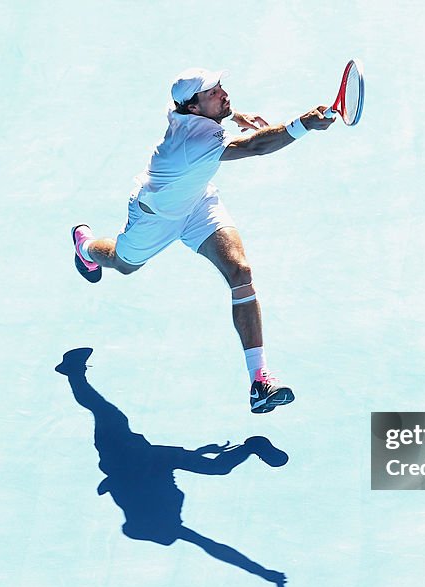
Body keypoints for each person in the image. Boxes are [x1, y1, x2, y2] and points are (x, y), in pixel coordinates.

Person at [69, 67, 335, 413]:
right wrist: (303, 124)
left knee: (240, 272)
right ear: (194, 109)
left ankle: (260, 382)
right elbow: (255, 146)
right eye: (213, 93)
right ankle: (85, 246)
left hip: (198, 204)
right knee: (122, 264)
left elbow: (214, 115)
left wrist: (235, 114)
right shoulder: (196, 142)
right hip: (156, 216)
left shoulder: (181, 107)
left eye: (220, 87)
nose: (223, 94)